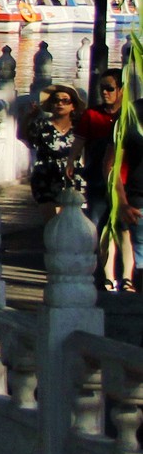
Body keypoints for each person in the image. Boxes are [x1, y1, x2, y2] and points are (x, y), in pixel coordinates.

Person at [77, 70, 138, 291]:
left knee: (124, 229)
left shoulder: (131, 118)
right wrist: (71, 165)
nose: (105, 92)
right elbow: (80, 144)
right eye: (102, 88)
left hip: (125, 183)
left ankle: (128, 276)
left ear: (121, 90)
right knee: (101, 228)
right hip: (98, 181)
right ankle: (107, 276)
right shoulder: (93, 115)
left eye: (110, 88)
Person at [24, 82, 89, 208]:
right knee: (51, 222)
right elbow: (23, 137)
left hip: (72, 176)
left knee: (70, 221)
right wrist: (29, 117)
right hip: (45, 176)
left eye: (65, 101)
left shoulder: (79, 127)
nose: (60, 104)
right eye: (56, 100)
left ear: (73, 106)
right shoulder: (41, 125)